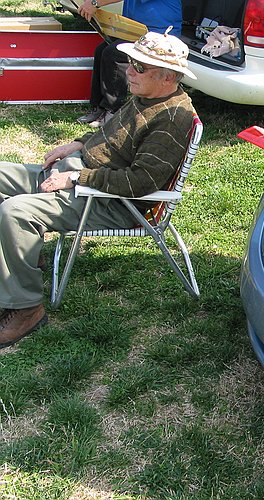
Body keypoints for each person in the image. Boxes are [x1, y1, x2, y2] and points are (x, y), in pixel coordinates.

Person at [0, 30, 198, 349]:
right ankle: (20, 260)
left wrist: (77, 179)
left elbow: (140, 182)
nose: (129, 70)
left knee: (15, 211)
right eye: (132, 62)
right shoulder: (148, 96)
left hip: (112, 202)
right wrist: (77, 144)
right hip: (85, 175)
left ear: (169, 76)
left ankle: (25, 308)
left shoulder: (171, 118)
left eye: (140, 66)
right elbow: (112, 135)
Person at [76, 0, 184, 127]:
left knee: (113, 53)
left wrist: (94, 3)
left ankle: (113, 110)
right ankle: (98, 108)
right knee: (101, 50)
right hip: (138, 31)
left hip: (160, 33)